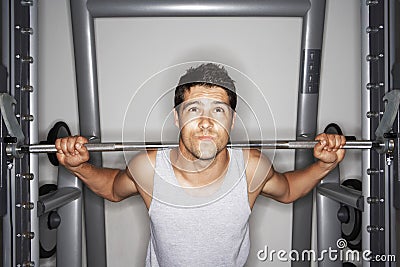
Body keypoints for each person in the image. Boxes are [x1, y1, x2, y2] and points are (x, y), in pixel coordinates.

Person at [56, 63, 346, 266]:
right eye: (194, 109)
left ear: (232, 120)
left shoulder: (250, 168)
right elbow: (112, 188)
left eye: (218, 110)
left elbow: (288, 190)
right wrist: (79, 167)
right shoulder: (150, 168)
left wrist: (324, 166)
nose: (206, 122)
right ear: (177, 117)